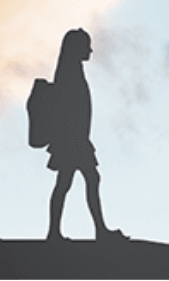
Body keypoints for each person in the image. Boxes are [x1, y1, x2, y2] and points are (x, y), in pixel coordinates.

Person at [44, 29, 126, 243]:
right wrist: (75, 139)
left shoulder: (71, 68)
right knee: (84, 180)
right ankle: (97, 230)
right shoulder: (70, 70)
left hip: (75, 139)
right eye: (85, 45)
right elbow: (69, 108)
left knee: (67, 183)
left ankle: (58, 232)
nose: (90, 50)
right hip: (73, 140)